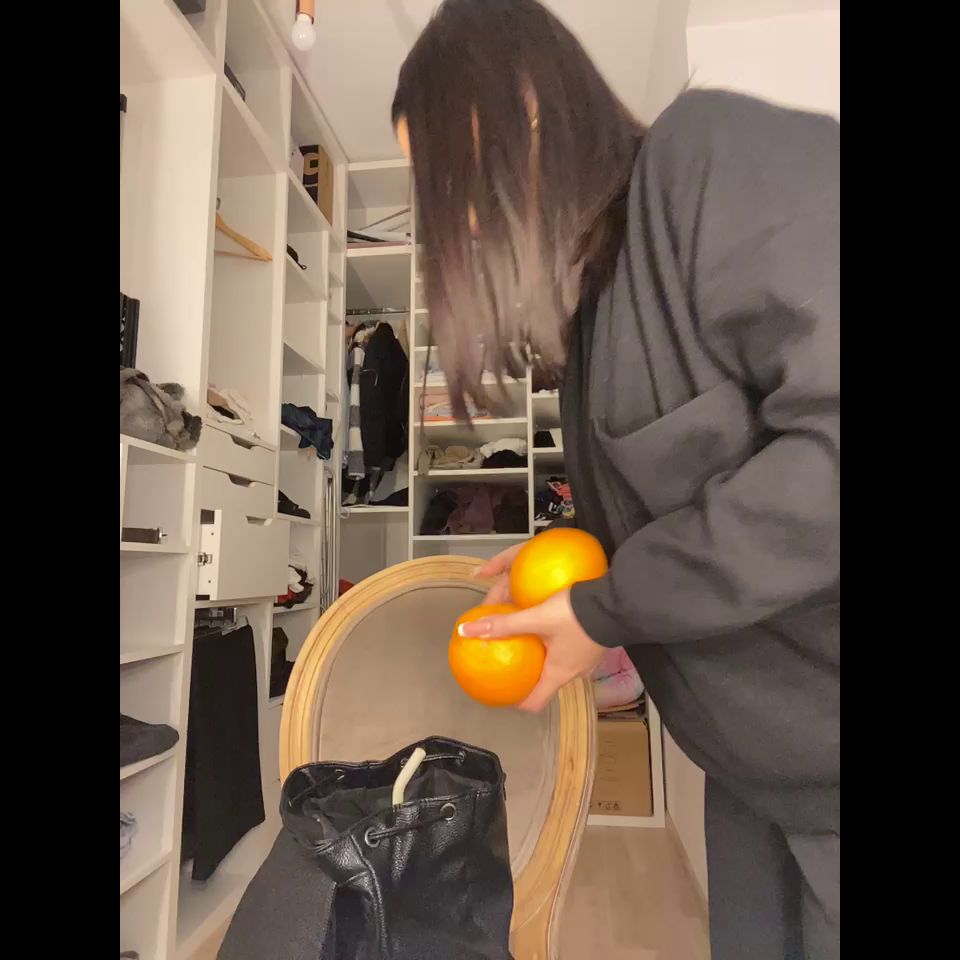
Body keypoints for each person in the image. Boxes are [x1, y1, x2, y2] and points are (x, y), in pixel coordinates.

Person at [392, 2, 839, 959]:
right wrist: (573, 560)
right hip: (752, 784)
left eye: (445, 177)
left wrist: (606, 607)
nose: (448, 219)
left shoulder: (708, 160)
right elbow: (690, 506)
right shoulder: (594, 322)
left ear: (524, 105)